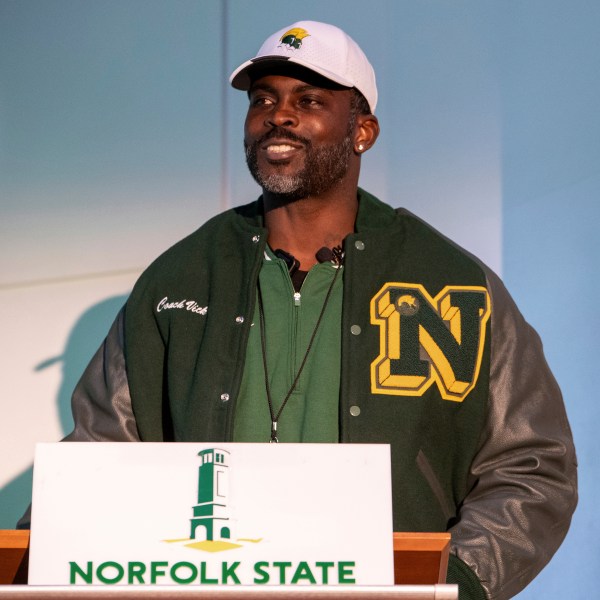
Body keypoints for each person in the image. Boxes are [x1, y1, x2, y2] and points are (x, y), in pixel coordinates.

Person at [33, 21, 578, 600]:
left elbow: (531, 467)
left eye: (309, 100)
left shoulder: (450, 283)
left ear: (362, 131)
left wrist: (456, 584)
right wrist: (41, 557)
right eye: (262, 99)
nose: (278, 115)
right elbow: (99, 452)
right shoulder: (181, 276)